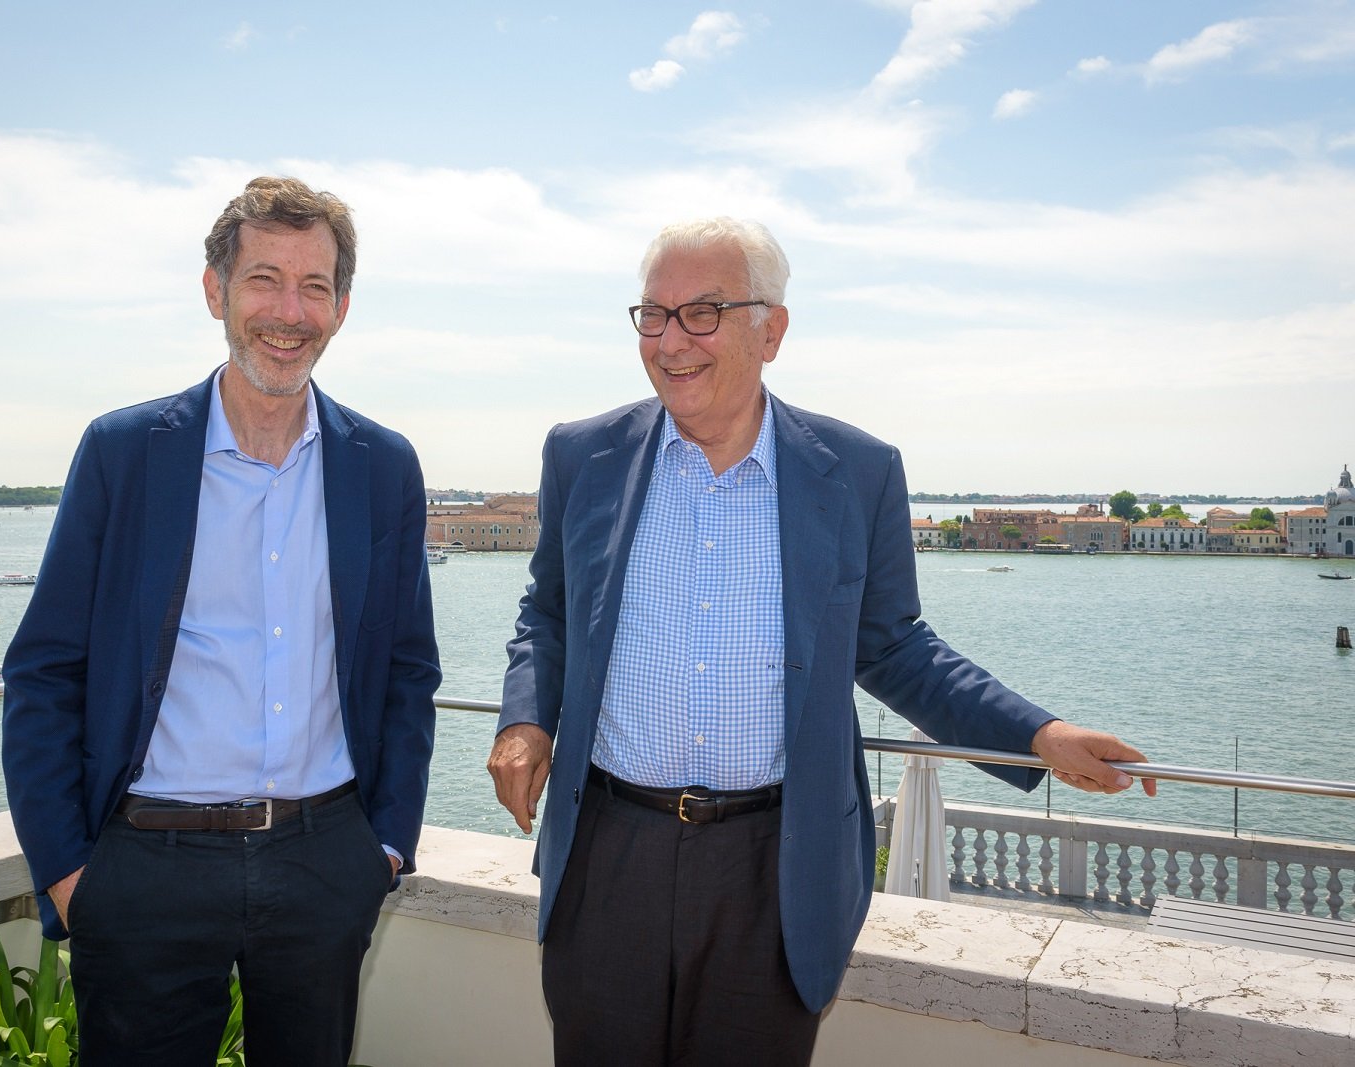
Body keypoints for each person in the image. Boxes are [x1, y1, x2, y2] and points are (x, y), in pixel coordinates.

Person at [488, 216, 1155, 1066]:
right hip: (607, 855)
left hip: (777, 869)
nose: (670, 340)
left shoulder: (856, 471)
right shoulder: (582, 455)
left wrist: (1037, 734)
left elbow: (895, 649)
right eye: (652, 314)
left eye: (703, 312)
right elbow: (546, 612)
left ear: (772, 330)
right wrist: (523, 720)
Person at [2, 176, 440, 1065]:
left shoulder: (383, 466)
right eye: (264, 279)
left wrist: (384, 848)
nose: (289, 311)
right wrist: (71, 875)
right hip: (146, 866)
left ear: (342, 307)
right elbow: (46, 669)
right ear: (216, 292)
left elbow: (406, 670)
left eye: (314, 286)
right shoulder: (124, 453)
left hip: (324, 864)